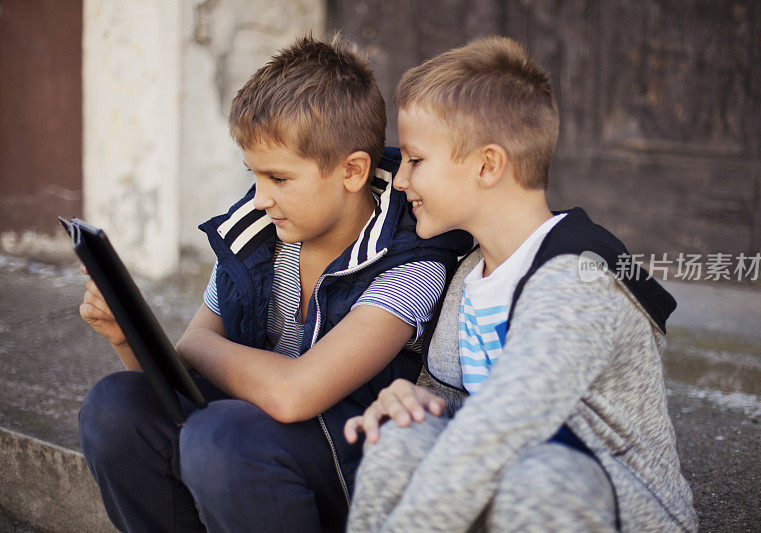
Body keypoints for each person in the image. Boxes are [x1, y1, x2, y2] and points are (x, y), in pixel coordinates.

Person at [77, 34, 472, 533]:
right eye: (254, 174)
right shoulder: (259, 239)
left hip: (349, 467)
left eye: (279, 179)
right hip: (248, 440)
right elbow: (184, 375)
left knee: (220, 434)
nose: (260, 197)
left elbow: (293, 394)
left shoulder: (408, 263)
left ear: (352, 171)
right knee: (116, 406)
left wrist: (197, 345)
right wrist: (126, 335)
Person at [344, 36, 698, 532]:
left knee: (538, 477)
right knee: (402, 438)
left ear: (488, 165)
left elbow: (506, 426)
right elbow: (472, 406)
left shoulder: (580, 273)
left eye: (416, 161)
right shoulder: (467, 274)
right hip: (509, 486)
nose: (399, 180)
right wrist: (418, 402)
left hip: (602, 503)